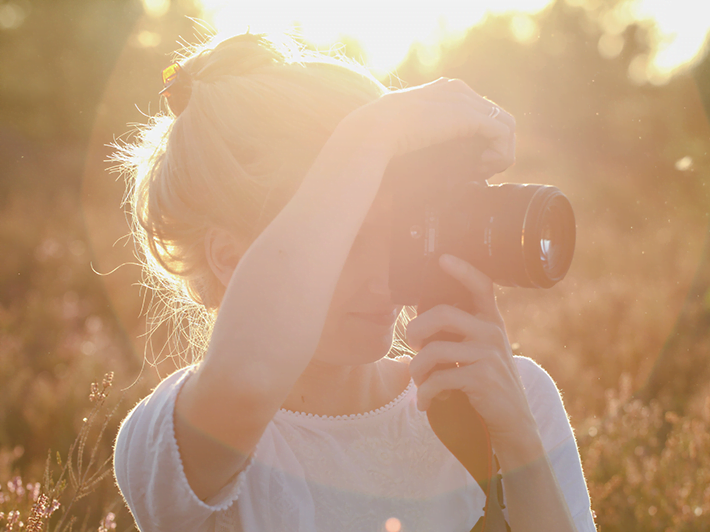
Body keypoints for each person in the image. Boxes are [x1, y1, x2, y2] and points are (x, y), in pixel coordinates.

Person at [112, 32, 596, 532]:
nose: (385, 281)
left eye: (397, 231)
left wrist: (519, 442)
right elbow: (248, 380)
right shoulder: (171, 443)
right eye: (347, 238)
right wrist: (375, 132)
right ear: (232, 259)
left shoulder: (512, 398)